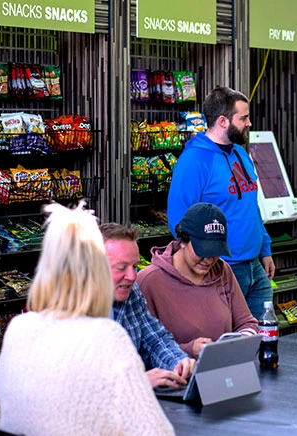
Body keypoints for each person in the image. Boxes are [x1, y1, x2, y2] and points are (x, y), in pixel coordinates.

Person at [0, 203, 174, 436]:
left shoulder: (20, 328)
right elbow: (156, 432)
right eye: (121, 267)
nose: (132, 276)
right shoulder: (107, 336)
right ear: (97, 274)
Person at [167, 86, 275, 319]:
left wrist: (265, 249)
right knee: (226, 345)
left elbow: (251, 205)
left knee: (264, 339)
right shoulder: (193, 161)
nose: (249, 123)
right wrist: (201, 265)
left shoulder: (241, 153)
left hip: (254, 266)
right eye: (243, 118)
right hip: (219, 267)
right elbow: (179, 219)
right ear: (223, 121)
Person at [137, 202, 259, 358]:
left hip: (223, 370)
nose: (208, 259)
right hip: (177, 377)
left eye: (215, 252)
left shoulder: (223, 271)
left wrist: (243, 340)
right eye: (202, 251)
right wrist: (188, 349)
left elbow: (246, 322)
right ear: (182, 241)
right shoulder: (149, 280)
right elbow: (142, 349)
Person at [100, 222, 196, 389]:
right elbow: (77, 387)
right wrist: (138, 382)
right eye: (121, 268)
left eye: (134, 267)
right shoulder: (68, 310)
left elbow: (155, 340)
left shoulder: (132, 293)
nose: (131, 276)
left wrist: (179, 363)